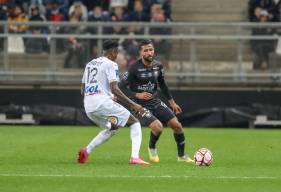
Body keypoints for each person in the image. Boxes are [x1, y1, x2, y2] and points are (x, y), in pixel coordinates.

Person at [119, 39, 194, 163]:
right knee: (158, 127)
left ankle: (181, 156)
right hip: (138, 105)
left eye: (151, 49)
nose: (149, 52)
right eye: (146, 50)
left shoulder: (158, 66)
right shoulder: (134, 68)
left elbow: (163, 85)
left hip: (154, 101)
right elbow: (120, 88)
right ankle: (152, 148)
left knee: (177, 126)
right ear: (140, 53)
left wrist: (172, 103)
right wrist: (137, 94)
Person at [78, 39, 149, 165]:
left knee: (113, 128)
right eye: (118, 52)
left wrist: (107, 95)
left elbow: (82, 89)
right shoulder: (111, 64)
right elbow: (115, 88)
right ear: (114, 52)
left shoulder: (90, 63)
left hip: (89, 107)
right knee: (135, 122)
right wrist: (134, 105)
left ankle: (86, 151)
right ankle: (134, 157)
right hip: (102, 104)